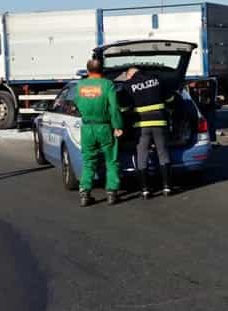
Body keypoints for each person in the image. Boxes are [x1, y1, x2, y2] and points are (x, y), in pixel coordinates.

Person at [74, 59, 125, 207]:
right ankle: (111, 193)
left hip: (87, 128)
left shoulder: (80, 86)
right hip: (104, 127)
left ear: (88, 70)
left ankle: (84, 193)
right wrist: (118, 126)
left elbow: (77, 103)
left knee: (89, 161)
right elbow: (114, 108)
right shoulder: (107, 85)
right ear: (101, 70)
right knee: (111, 160)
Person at [122, 66, 173, 199]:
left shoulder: (128, 85)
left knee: (142, 155)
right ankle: (167, 187)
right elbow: (170, 99)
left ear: (129, 75)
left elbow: (123, 107)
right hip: (159, 123)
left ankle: (144, 190)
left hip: (141, 126)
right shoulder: (156, 79)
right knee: (163, 153)